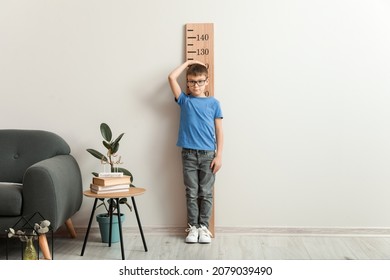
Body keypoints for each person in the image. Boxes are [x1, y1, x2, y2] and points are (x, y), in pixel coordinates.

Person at [168, 60, 224, 244]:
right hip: (188, 154)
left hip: (208, 154)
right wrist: (188, 63)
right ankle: (192, 227)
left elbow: (219, 131)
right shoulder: (184, 100)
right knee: (191, 192)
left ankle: (204, 228)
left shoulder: (214, 103)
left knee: (206, 193)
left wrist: (219, 155)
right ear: (188, 83)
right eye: (192, 82)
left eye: (200, 81)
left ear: (206, 82)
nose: (196, 85)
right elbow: (171, 77)